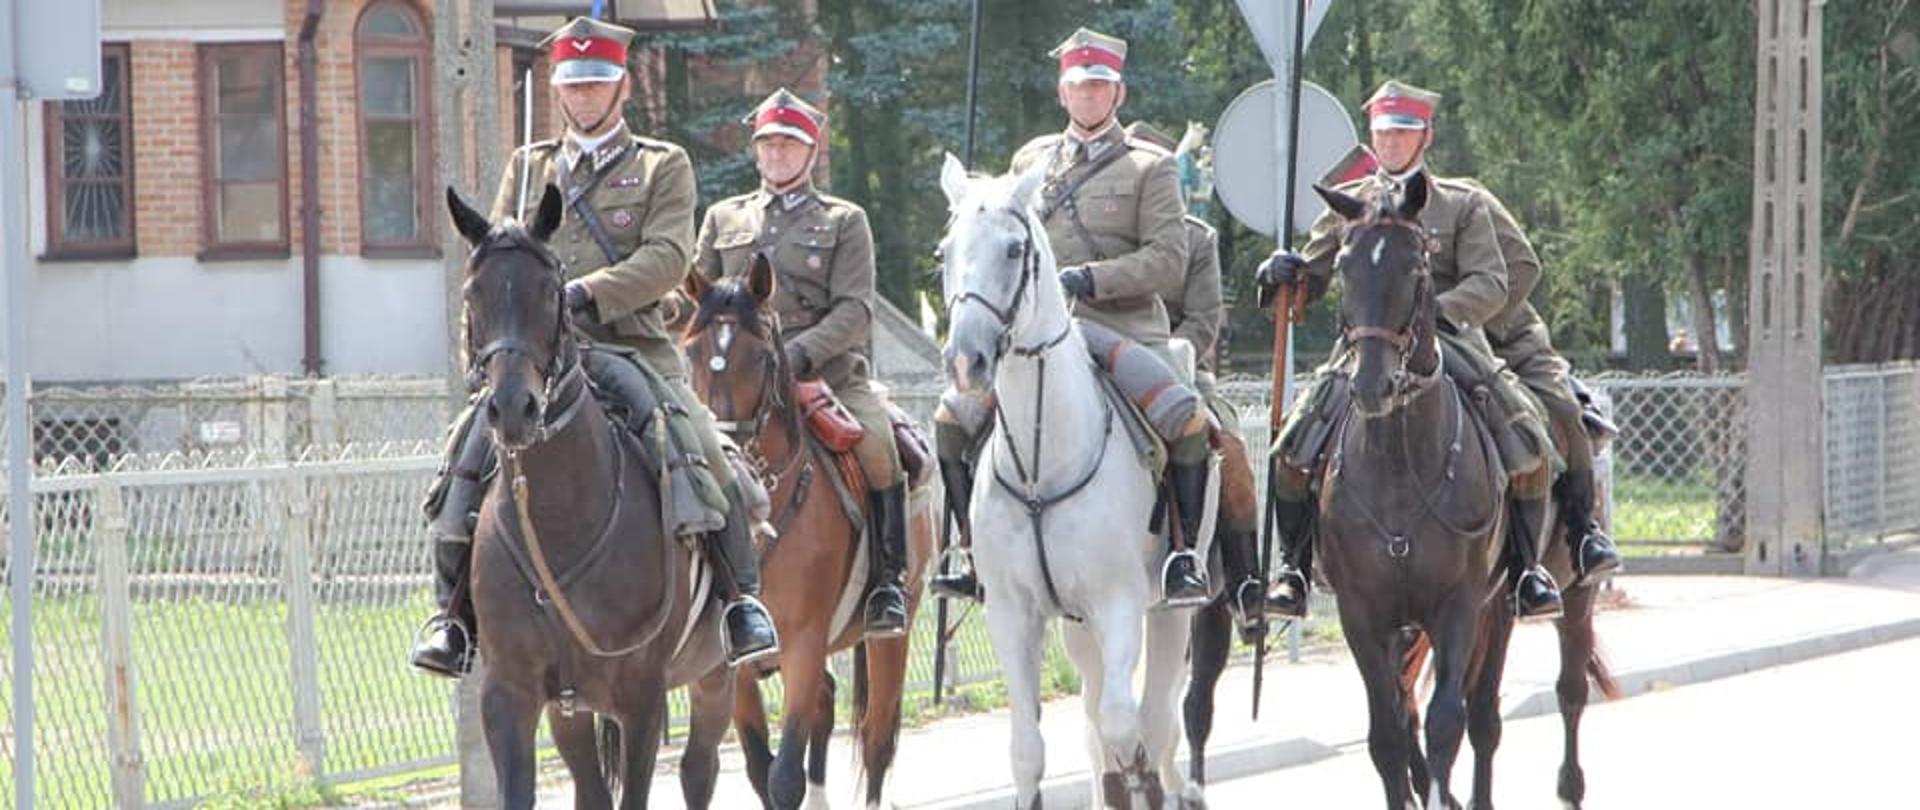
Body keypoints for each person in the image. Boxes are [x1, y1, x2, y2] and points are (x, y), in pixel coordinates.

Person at [412, 16, 777, 676]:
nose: (582, 97)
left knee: (698, 451)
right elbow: (498, 255)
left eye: (595, 84)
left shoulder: (661, 165)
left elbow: (668, 256)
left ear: (622, 87)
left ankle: (739, 602)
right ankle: (452, 618)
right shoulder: (528, 169)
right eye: (572, 85)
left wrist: (584, 294)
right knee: (461, 462)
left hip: (631, 346)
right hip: (539, 357)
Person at [1255, 79, 1568, 619]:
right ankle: (1294, 569)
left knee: (1524, 432)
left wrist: (1436, 313)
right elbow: (1312, 283)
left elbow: (1493, 281)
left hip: (1446, 335)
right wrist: (1281, 276)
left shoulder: (1460, 204)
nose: (1392, 143)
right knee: (1292, 446)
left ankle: (1526, 570)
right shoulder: (1348, 204)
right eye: (1382, 132)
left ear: (1426, 135)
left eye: (1403, 132)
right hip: (1369, 344)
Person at [929, 27, 1210, 607]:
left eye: (1098, 86)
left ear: (1118, 93)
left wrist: (1090, 279)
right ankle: (972, 552)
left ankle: (1182, 555)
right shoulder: (1031, 162)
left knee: (1185, 420)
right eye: (1078, 86)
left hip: (1123, 328)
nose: (1087, 96)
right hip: (1034, 336)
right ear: (1062, 93)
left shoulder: (1148, 168)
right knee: (952, 421)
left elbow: (1168, 259)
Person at [693, 88, 910, 638]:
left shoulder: (844, 220)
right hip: (737, 379)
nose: (777, 155)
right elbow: (695, 296)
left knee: (882, 449)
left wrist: (797, 354)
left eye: (789, 145)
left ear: (812, 152)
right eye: (768, 144)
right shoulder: (723, 218)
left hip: (825, 374)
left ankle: (887, 581)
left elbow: (856, 309)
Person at [1125, 119, 1267, 634]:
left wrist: (1158, 357)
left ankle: (1246, 582)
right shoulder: (1105, 230)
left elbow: (1205, 321)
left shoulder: (1195, 239)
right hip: (1098, 358)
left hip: (1179, 369)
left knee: (1228, 450)